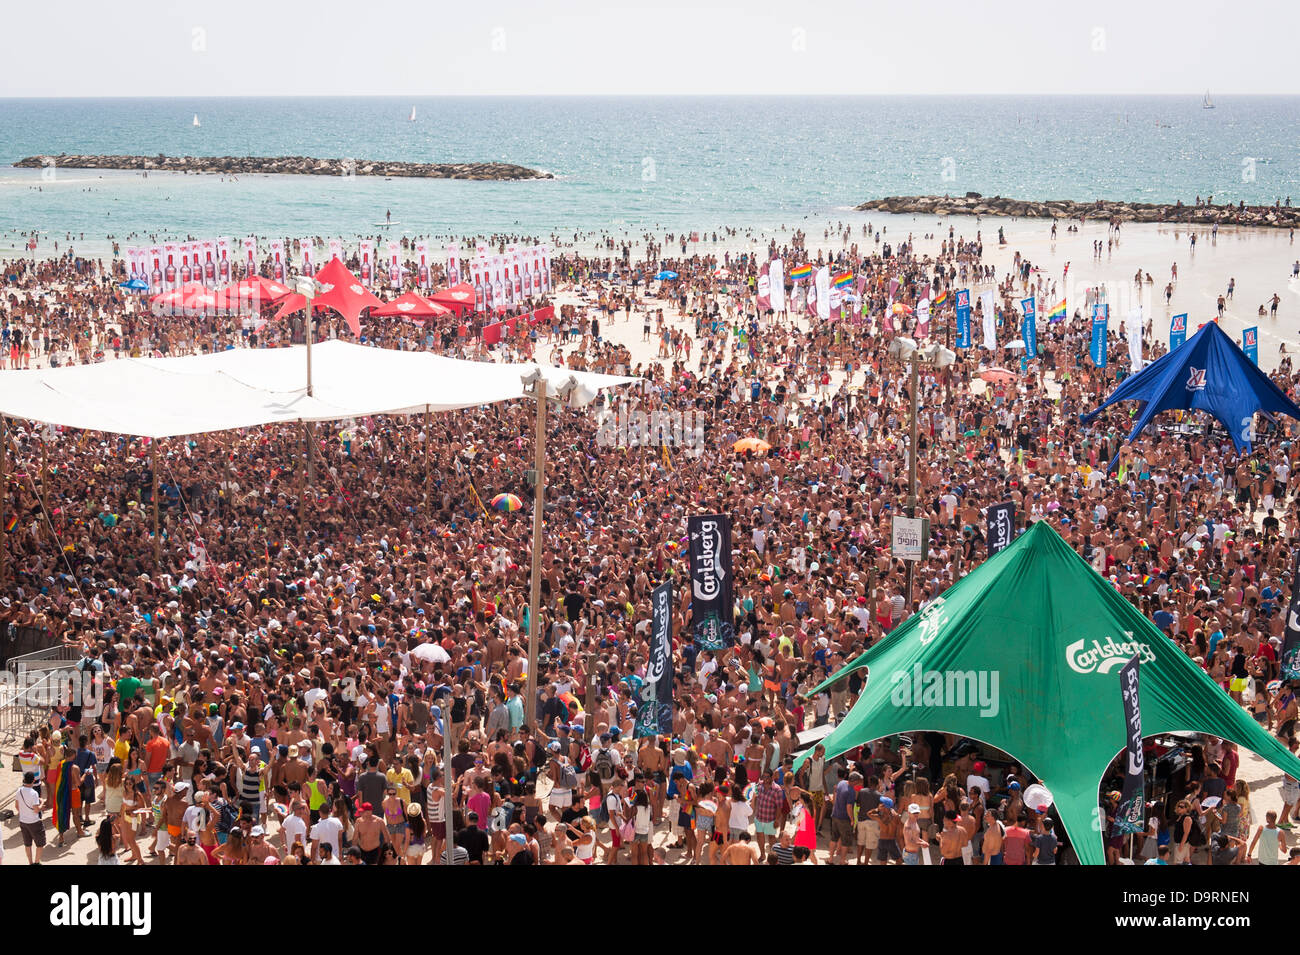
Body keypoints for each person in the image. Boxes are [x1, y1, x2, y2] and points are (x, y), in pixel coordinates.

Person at [14, 772, 45, 864]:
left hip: (23, 821)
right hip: (34, 822)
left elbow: (16, 806)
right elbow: (36, 810)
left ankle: (30, 862)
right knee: (40, 843)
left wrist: (24, 813)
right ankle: (36, 862)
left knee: (27, 844)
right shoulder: (34, 793)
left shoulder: (19, 791)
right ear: (33, 780)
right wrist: (42, 803)